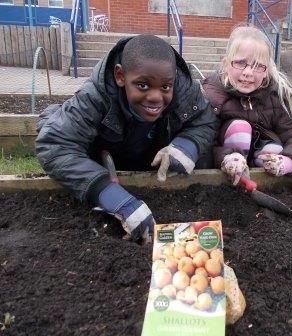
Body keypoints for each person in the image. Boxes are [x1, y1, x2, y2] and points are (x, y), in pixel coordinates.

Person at [35, 34, 218, 242]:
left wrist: (186, 147)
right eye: (143, 86)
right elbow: (54, 144)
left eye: (166, 87)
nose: (156, 97)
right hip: (108, 168)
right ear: (120, 76)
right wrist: (110, 195)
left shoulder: (184, 89)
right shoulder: (95, 97)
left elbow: (205, 119)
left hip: (155, 166)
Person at [201, 25, 292, 185]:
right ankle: (235, 170)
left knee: (275, 151)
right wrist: (225, 157)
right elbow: (206, 141)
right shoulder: (213, 94)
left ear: (267, 70)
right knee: (240, 128)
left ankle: (265, 176)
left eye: (258, 66)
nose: (248, 72)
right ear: (226, 64)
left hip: (261, 150)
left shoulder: (274, 95)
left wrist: (289, 160)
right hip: (227, 158)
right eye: (240, 63)